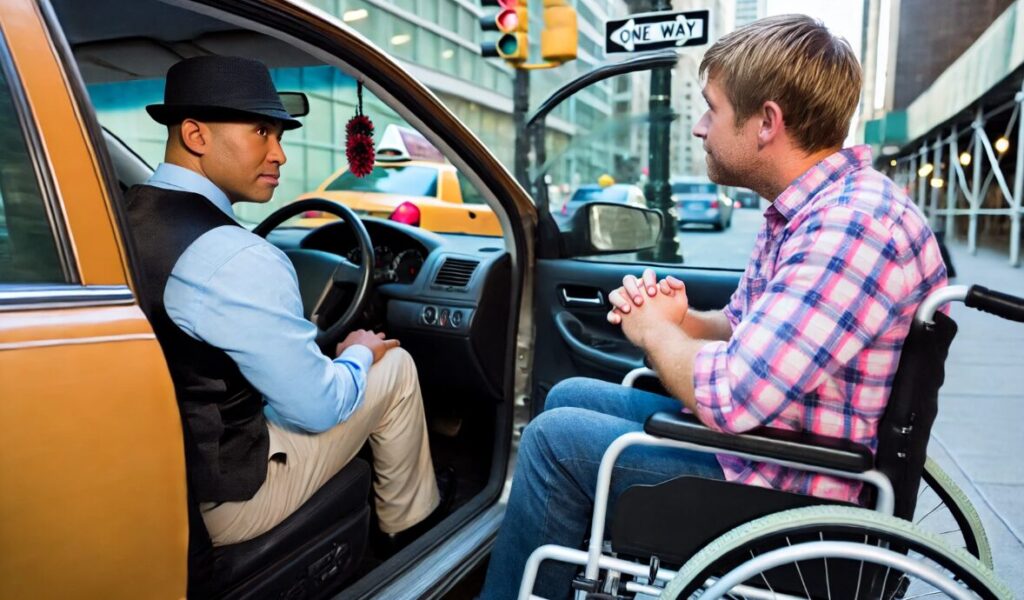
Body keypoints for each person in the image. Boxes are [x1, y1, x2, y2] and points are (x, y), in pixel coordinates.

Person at [480, 14, 947, 599]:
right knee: (569, 397)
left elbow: (730, 397)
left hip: (797, 493)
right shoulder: (805, 210)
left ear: (766, 123)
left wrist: (654, 333)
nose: (700, 127)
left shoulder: (851, 228)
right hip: (776, 448)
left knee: (554, 441)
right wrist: (682, 320)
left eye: (713, 108)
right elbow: (741, 327)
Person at [122, 56, 440, 549]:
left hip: (158, 480)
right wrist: (357, 351)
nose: (280, 155)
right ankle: (411, 536)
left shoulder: (120, 215)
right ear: (196, 135)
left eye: (280, 136)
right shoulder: (239, 255)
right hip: (226, 501)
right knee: (392, 365)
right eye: (262, 132)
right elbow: (317, 408)